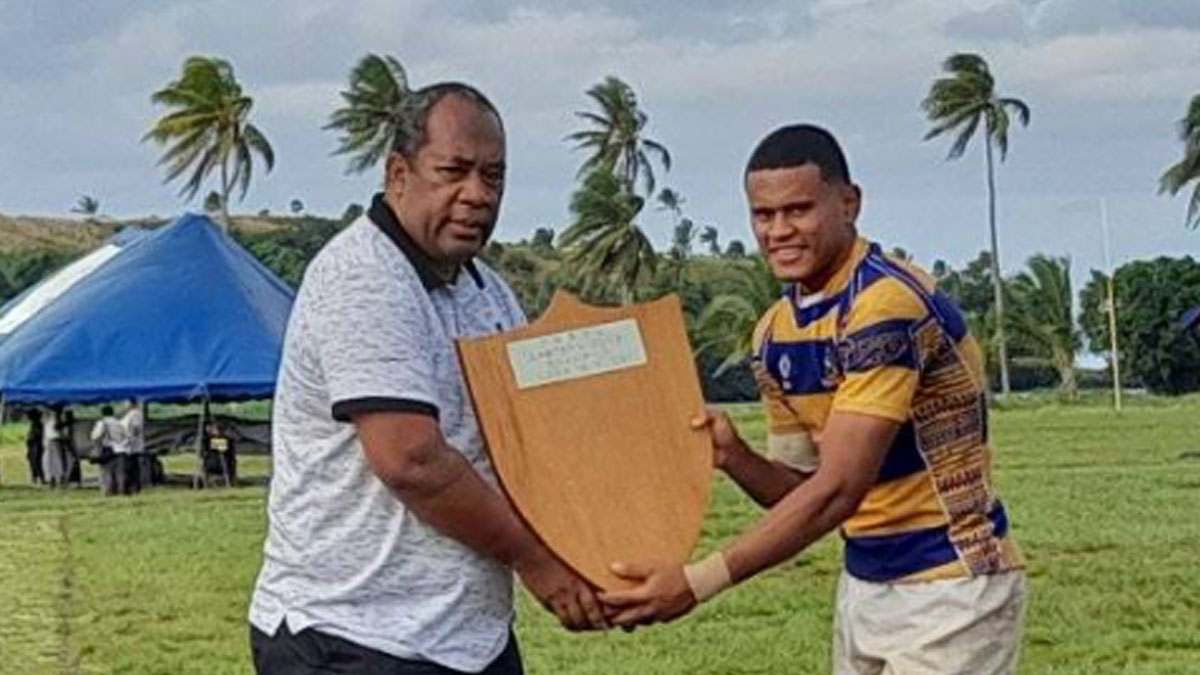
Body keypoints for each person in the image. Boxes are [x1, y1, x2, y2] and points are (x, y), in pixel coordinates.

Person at [602, 125, 1027, 674]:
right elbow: (802, 490)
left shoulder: (884, 306)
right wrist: (734, 456)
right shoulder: (773, 333)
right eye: (763, 215)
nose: (779, 230)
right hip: (865, 586)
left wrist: (697, 582)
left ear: (849, 203)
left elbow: (838, 490)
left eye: (798, 210)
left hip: (951, 585)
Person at [248, 82, 605, 675]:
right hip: (351, 635)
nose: (477, 194)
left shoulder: (487, 292)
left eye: (493, 177)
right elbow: (411, 460)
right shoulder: (364, 277)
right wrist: (539, 561)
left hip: (466, 636)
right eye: (454, 171)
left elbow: (531, 438)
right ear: (398, 174)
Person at [91, 405, 130, 496]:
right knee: (120, 473)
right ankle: (122, 491)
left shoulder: (102, 423)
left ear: (102, 413)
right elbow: (127, 437)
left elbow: (95, 436)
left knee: (108, 472)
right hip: (121, 450)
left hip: (109, 451)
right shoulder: (120, 423)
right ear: (113, 413)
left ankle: (110, 491)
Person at [122, 400, 147, 491]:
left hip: (132, 445)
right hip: (130, 444)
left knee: (132, 466)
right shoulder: (130, 414)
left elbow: (136, 428)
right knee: (131, 466)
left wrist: (130, 439)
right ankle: (132, 485)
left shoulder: (135, 414)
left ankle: (134, 486)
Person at [42, 405, 66, 487]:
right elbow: (57, 427)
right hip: (54, 440)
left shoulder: (49, 418)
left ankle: (53, 477)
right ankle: (58, 477)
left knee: (51, 460)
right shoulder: (54, 418)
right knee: (57, 459)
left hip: (50, 440)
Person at [26, 409, 46, 486]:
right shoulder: (34, 424)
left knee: (36, 462)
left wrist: (30, 437)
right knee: (33, 462)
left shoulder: (38, 424)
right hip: (33, 446)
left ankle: (41, 478)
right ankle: (35, 478)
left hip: (36, 445)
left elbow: (36, 435)